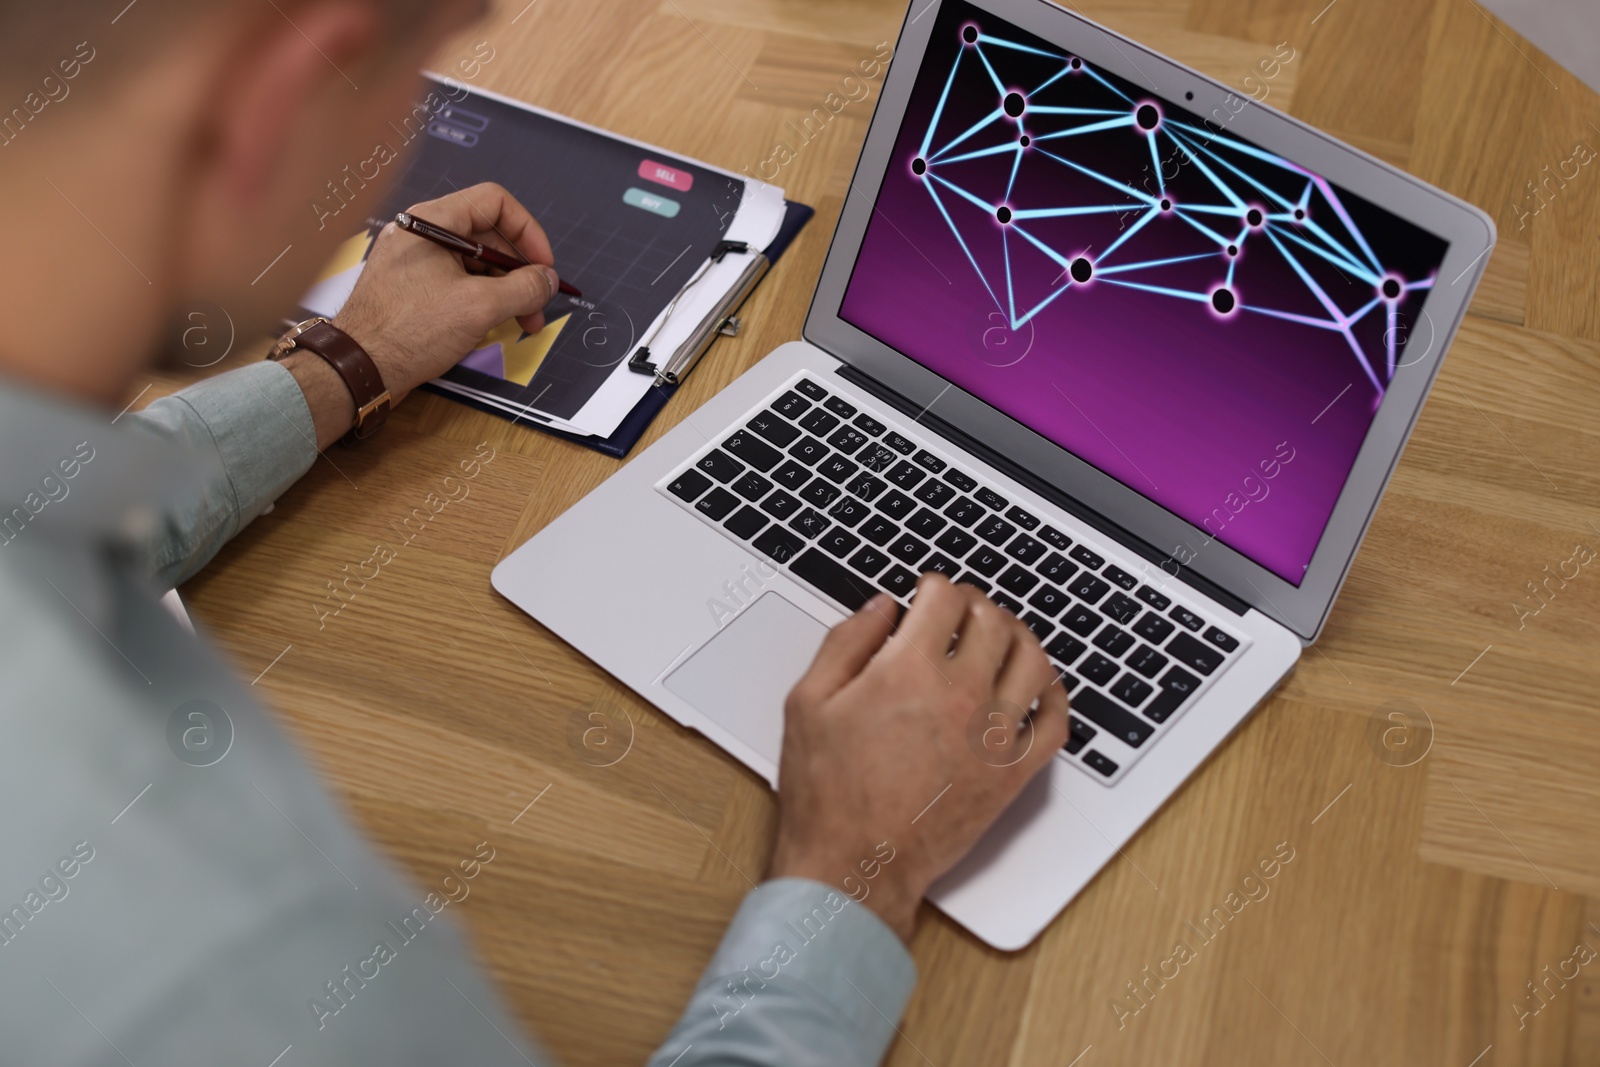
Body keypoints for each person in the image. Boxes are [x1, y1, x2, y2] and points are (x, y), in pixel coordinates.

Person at [0, 0, 1070, 1063]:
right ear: (275, 105)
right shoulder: (236, 955)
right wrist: (862, 864)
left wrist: (349, 360)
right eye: (414, 82)